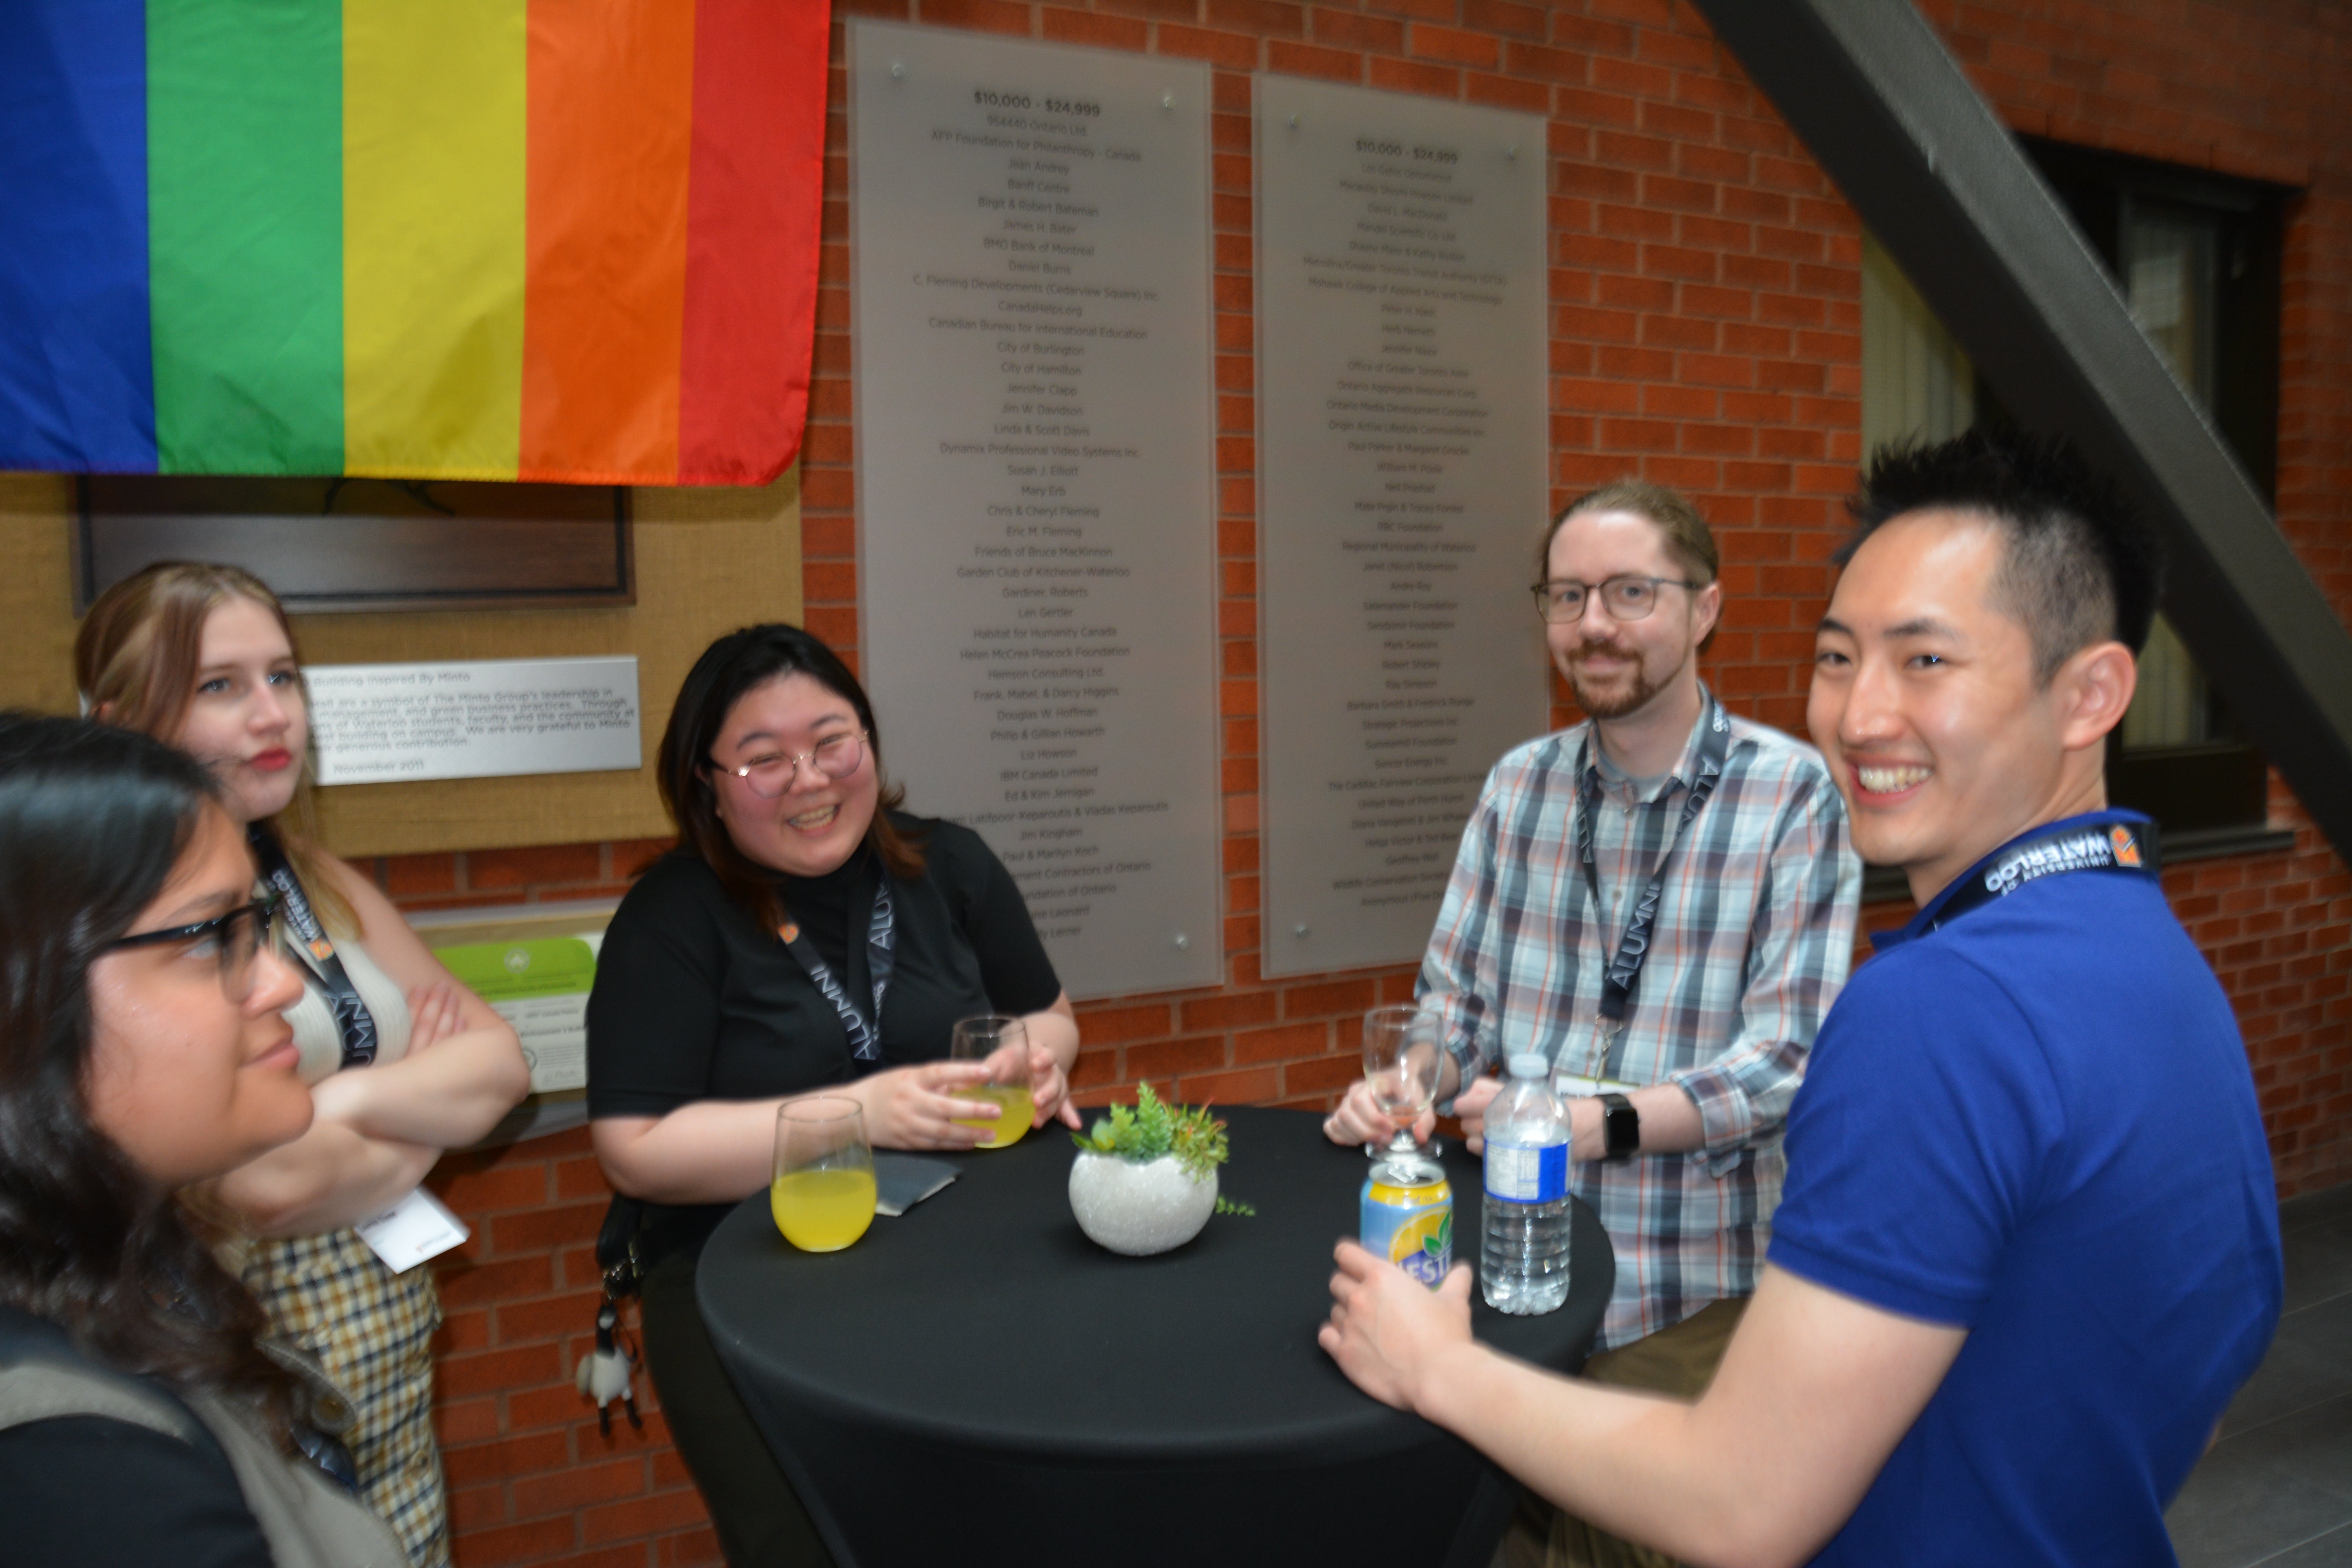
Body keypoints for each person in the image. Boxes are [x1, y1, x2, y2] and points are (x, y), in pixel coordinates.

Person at [1321, 429, 2283, 1567]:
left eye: (1927, 661)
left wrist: (1434, 1367)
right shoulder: (2155, 958)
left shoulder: (1939, 1008)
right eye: (1839, 657)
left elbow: (1741, 1505)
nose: (1862, 714)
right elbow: (2201, 1374)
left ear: (2091, 695)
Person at [1324, 479, 1860, 1566]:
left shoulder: (1791, 795)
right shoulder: (1519, 787)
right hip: (1511, 1282)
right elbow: (1455, 1008)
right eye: (1568, 597)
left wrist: (1587, 1122)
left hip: (1687, 1301)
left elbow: (1785, 1068)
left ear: (1704, 609)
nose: (1595, 626)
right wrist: (1415, 1079)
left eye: (1629, 592)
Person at [588, 622, 1082, 1568]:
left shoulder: (951, 865)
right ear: (706, 780)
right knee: (810, 1544)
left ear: (870, 743)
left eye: (832, 741)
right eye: (763, 758)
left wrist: (1031, 1054)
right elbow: (634, 1147)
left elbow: (1054, 1016)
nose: (810, 779)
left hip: (965, 1259)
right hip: (744, 1280)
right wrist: (862, 1116)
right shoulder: (672, 918)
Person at [76, 563, 531, 1568]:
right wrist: (419, 1114)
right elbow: (262, 1186)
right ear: (117, 717)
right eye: (219, 685)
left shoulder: (314, 876)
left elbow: (502, 1064)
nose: (271, 713)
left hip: (394, 1375)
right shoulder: (119, 925)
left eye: (283, 676)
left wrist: (351, 1099)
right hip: (251, 1384)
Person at [0, 713, 408, 1567]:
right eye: (209, 934)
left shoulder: (113, 1279)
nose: (281, 981)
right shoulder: (76, 1471)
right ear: (27, 994)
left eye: (254, 923)